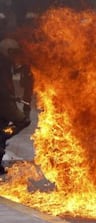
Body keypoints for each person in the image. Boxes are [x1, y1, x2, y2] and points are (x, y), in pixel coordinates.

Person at [0, 38, 33, 175]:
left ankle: (2, 136)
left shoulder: (7, 63)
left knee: (2, 125)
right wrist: (9, 95)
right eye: (12, 52)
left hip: (5, 102)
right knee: (23, 120)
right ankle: (3, 135)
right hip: (4, 102)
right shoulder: (2, 64)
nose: (15, 56)